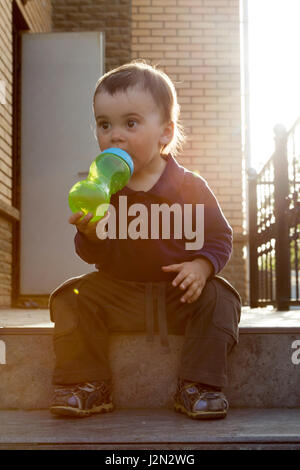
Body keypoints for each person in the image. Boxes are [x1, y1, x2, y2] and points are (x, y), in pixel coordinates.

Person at [49, 60, 242, 419]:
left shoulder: (190, 187)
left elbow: (220, 237)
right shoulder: (103, 190)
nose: (115, 135)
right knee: (71, 297)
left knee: (223, 297)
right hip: (119, 292)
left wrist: (201, 266)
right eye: (104, 124)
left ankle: (199, 385)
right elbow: (93, 254)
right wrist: (89, 233)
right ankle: (88, 384)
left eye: (131, 123)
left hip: (179, 296)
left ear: (165, 133)